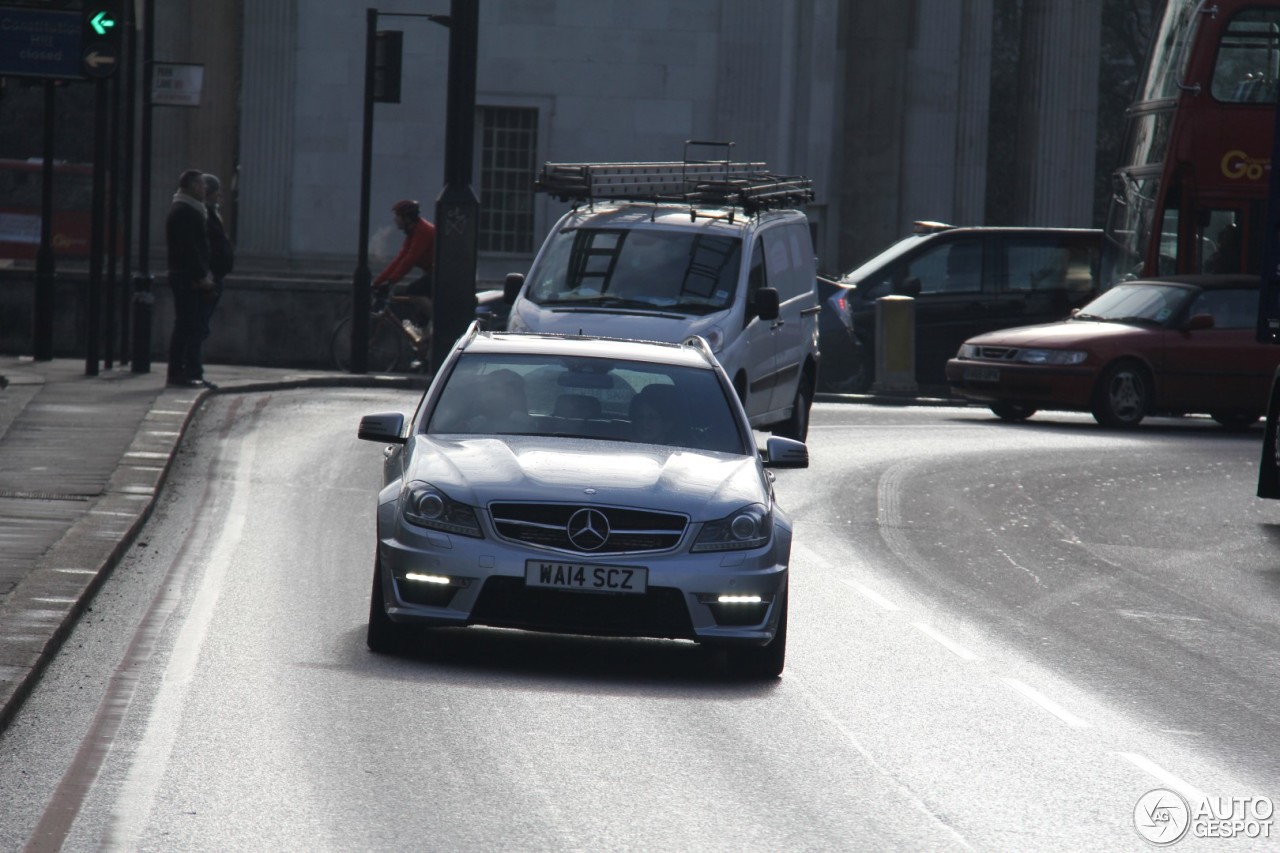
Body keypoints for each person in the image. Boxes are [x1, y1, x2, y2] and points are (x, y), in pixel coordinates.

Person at [165, 169, 217, 389]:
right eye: (202, 185)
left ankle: (183, 371)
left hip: (186, 276)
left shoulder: (189, 209)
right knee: (186, 325)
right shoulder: (185, 211)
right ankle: (179, 372)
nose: (205, 189)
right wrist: (201, 275)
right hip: (187, 278)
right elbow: (189, 248)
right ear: (194, 187)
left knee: (187, 325)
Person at [373, 199, 435, 336]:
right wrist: (377, 282)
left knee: (414, 291)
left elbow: (409, 261)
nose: (395, 220)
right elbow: (399, 260)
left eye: (397, 217)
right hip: (433, 273)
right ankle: (425, 351)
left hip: (444, 273)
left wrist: (390, 283)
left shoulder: (423, 232)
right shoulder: (413, 233)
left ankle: (441, 322)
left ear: (407, 218)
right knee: (420, 325)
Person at [202, 173, 234, 358]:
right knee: (199, 324)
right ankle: (190, 369)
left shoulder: (213, 213)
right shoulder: (204, 214)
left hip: (216, 276)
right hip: (210, 276)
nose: (219, 196)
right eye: (217, 192)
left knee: (203, 324)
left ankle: (194, 369)